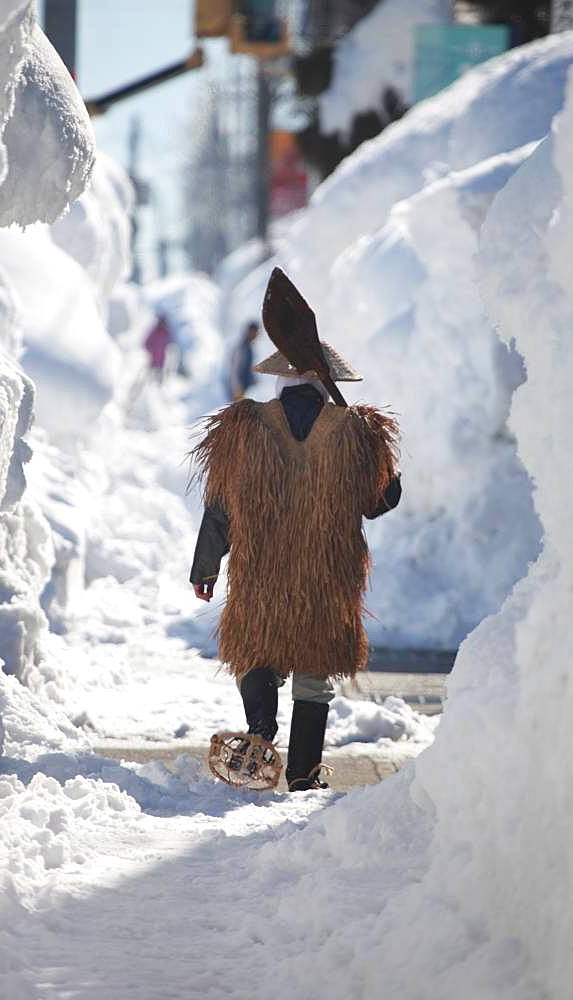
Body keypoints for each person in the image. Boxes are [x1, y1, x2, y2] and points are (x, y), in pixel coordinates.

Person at [190, 287, 401, 793]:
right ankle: (305, 775)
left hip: (262, 571)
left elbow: (220, 506)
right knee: (312, 674)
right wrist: (382, 465)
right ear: (329, 381)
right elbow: (381, 502)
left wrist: (205, 567)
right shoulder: (356, 432)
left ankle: (261, 731)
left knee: (255, 650)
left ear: (282, 377)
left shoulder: (245, 426)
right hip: (326, 577)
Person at [229, 320, 259, 400]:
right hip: (240, 389)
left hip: (246, 389)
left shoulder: (249, 346)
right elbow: (235, 368)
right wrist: (237, 387)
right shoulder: (242, 347)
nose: (257, 335)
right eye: (255, 332)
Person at [144, 310, 172, 383]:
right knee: (150, 380)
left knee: (158, 380)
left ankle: (157, 390)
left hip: (160, 361)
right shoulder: (156, 332)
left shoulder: (165, 332)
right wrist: (150, 350)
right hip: (154, 360)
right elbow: (147, 343)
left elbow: (169, 345)